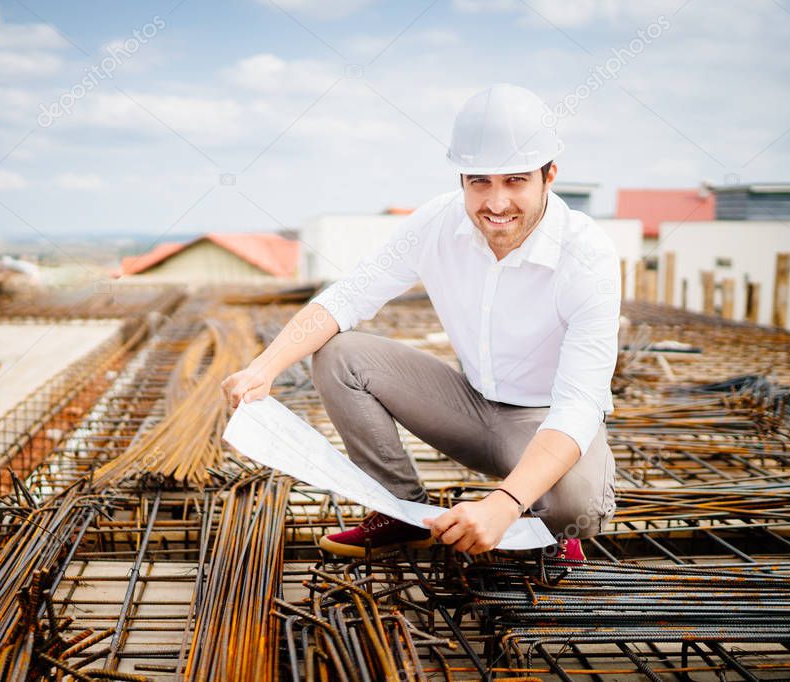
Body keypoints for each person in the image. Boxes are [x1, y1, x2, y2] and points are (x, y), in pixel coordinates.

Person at [221, 83, 619, 561]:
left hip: (543, 421)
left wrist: (503, 504)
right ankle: (401, 511)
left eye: (515, 180)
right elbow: (348, 296)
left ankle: (543, 528)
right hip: (469, 409)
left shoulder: (587, 255)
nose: (495, 203)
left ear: (548, 176)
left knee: (582, 503)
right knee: (341, 354)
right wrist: (263, 367)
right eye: (480, 182)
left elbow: (579, 405)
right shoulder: (438, 223)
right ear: (461, 180)